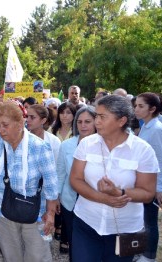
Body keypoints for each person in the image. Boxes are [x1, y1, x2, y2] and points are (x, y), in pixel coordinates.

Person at [70, 95, 159, 262]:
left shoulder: (143, 150)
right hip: (87, 224)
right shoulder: (86, 144)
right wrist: (103, 198)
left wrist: (119, 192)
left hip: (124, 229)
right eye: (96, 115)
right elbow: (75, 179)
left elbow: (148, 193)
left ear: (121, 121)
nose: (97, 121)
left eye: (103, 117)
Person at [0, 101, 58, 262]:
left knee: (37, 257)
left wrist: (50, 214)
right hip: (3, 211)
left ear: (20, 123)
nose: (1, 130)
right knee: (11, 256)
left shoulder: (39, 146)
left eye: (5, 125)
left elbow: (51, 184)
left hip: (35, 214)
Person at [57, 106, 96, 261]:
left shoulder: (103, 145)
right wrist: (56, 197)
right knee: (75, 243)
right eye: (79, 122)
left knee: (93, 242)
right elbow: (60, 173)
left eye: (88, 121)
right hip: (70, 201)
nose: (83, 125)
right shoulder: (67, 145)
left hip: (94, 202)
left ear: (96, 122)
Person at [134, 92, 162, 262]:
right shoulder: (146, 125)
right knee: (144, 220)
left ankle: (149, 256)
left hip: (152, 184)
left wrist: (160, 188)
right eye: (136, 105)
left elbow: (161, 159)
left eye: (140, 106)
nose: (136, 109)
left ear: (152, 109)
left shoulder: (157, 129)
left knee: (150, 222)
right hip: (143, 181)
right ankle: (143, 251)